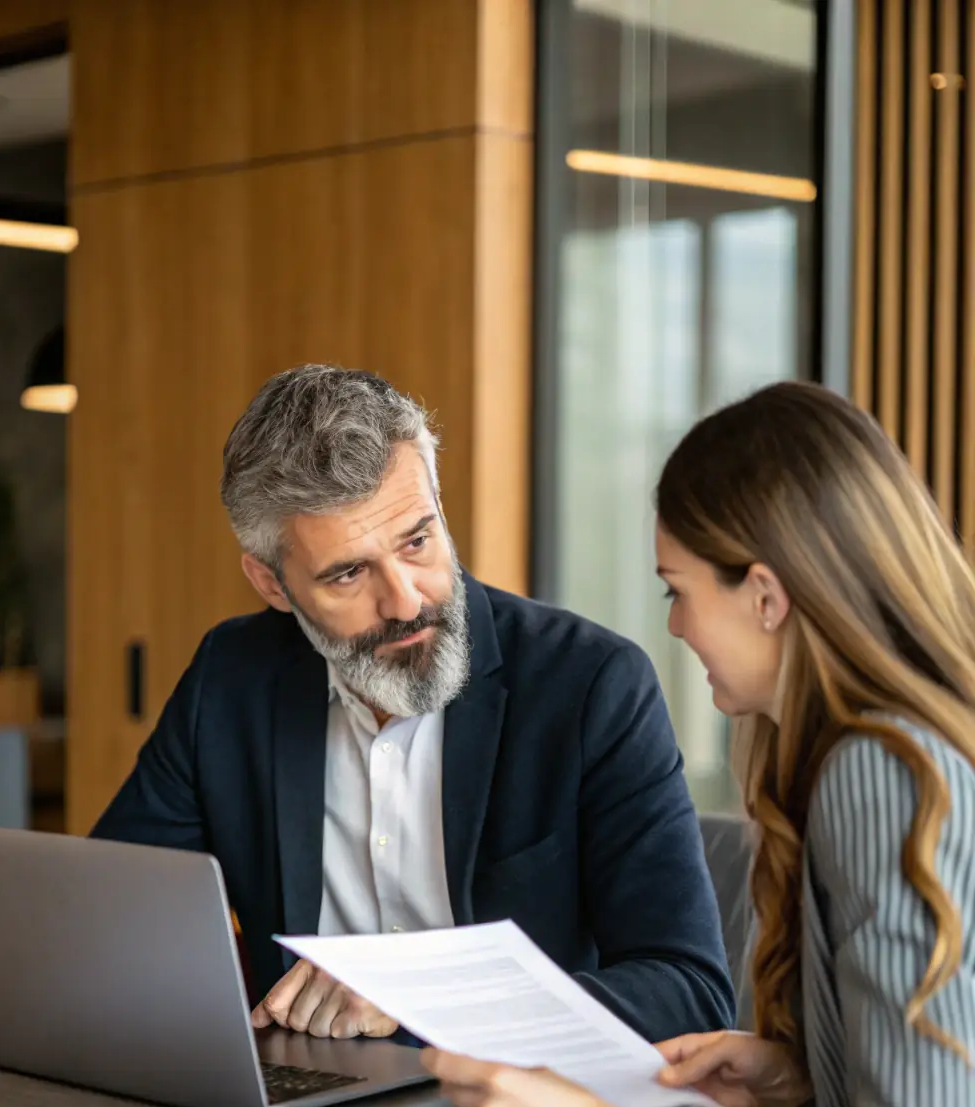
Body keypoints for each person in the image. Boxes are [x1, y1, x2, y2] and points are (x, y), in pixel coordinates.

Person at [425, 381, 975, 1107]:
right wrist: (801, 1078)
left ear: (765, 594)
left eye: (677, 589)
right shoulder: (893, 750)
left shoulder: (885, 772)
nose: (674, 627)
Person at [92, 364, 734, 1044]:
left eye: (417, 542)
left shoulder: (592, 686)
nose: (405, 600)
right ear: (272, 583)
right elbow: (105, 915)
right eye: (348, 572)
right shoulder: (230, 681)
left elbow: (688, 991)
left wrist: (423, 999)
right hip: (303, 1105)